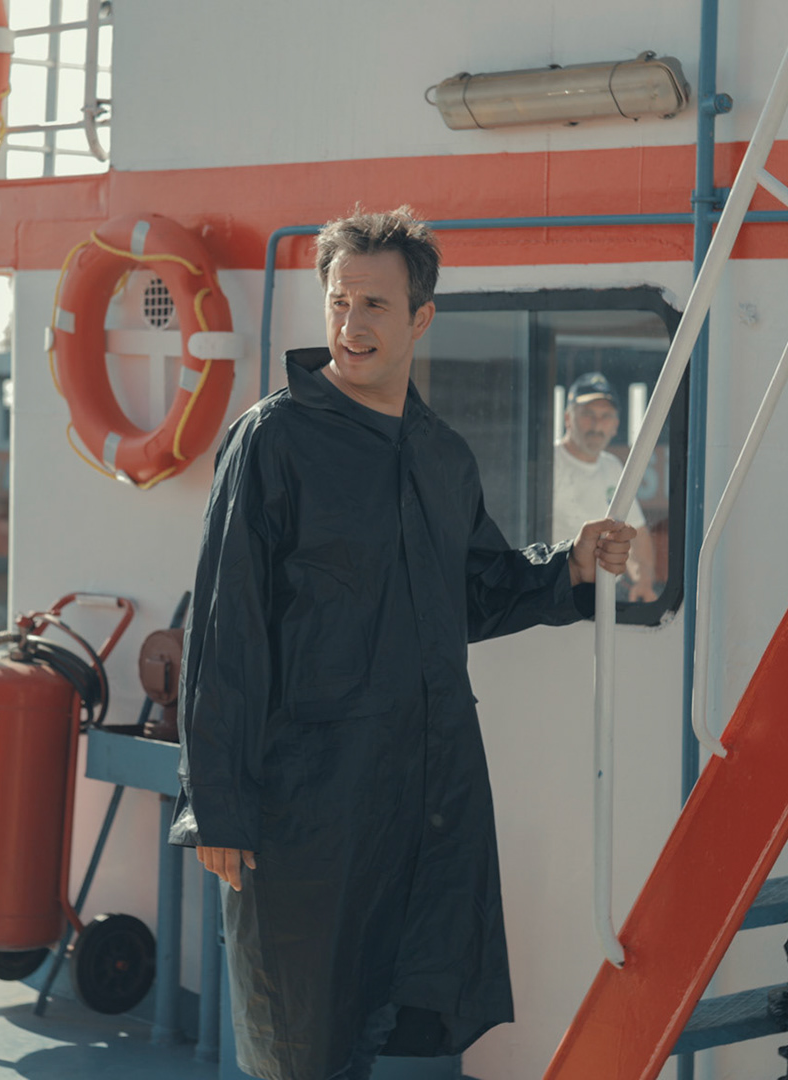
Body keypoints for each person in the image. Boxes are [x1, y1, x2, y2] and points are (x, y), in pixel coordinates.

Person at [167, 207, 637, 1080]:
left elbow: (472, 590)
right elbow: (226, 631)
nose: (351, 324)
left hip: (423, 794)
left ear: (422, 317)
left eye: (375, 305)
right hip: (308, 807)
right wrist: (218, 807)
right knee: (301, 1044)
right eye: (339, 302)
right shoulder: (273, 441)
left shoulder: (441, 455)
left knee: (389, 1017)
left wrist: (569, 566)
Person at [552, 371, 658, 601]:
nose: (597, 423)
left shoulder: (613, 467)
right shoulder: (549, 464)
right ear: (568, 418)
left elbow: (638, 533)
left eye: (606, 416)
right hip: (554, 594)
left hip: (605, 599)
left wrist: (643, 582)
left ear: (615, 425)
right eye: (588, 414)